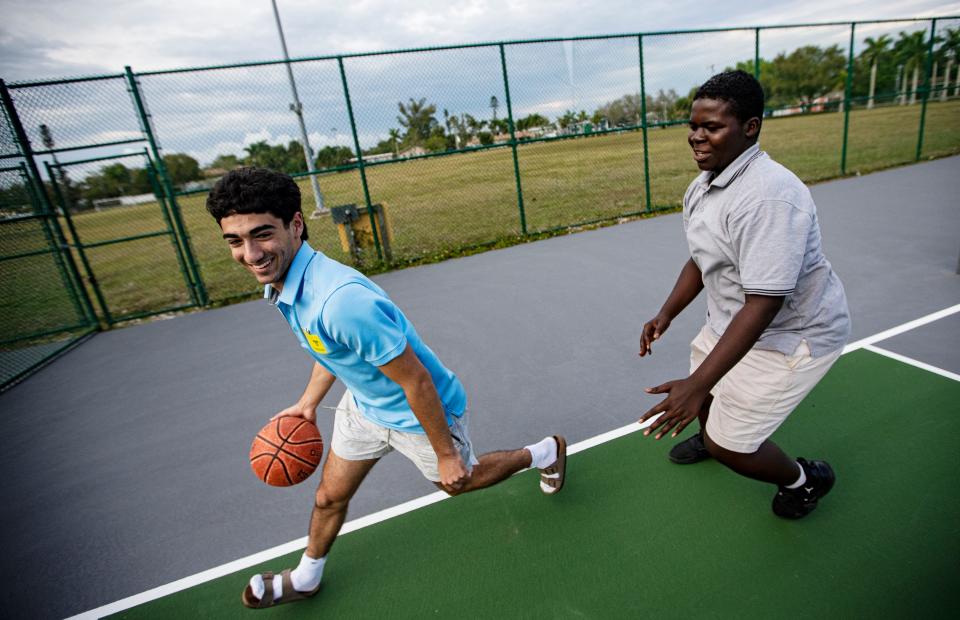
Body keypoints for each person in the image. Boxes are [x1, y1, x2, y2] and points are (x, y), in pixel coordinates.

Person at [206, 167, 567, 609]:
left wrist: (446, 453)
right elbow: (332, 351)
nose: (250, 253)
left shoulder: (339, 301)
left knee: (459, 482)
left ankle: (544, 452)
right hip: (364, 409)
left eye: (262, 235)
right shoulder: (289, 284)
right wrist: (307, 404)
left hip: (421, 413)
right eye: (235, 241)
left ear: (295, 225)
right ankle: (306, 577)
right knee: (329, 496)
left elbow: (416, 379)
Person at [637, 70, 851, 519]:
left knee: (729, 439)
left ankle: (803, 480)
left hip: (792, 337)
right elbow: (701, 258)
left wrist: (695, 386)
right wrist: (667, 313)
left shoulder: (769, 198)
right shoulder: (703, 186)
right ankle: (712, 430)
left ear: (749, 127)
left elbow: (765, 303)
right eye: (693, 126)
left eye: (711, 127)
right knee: (707, 396)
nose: (696, 137)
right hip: (731, 322)